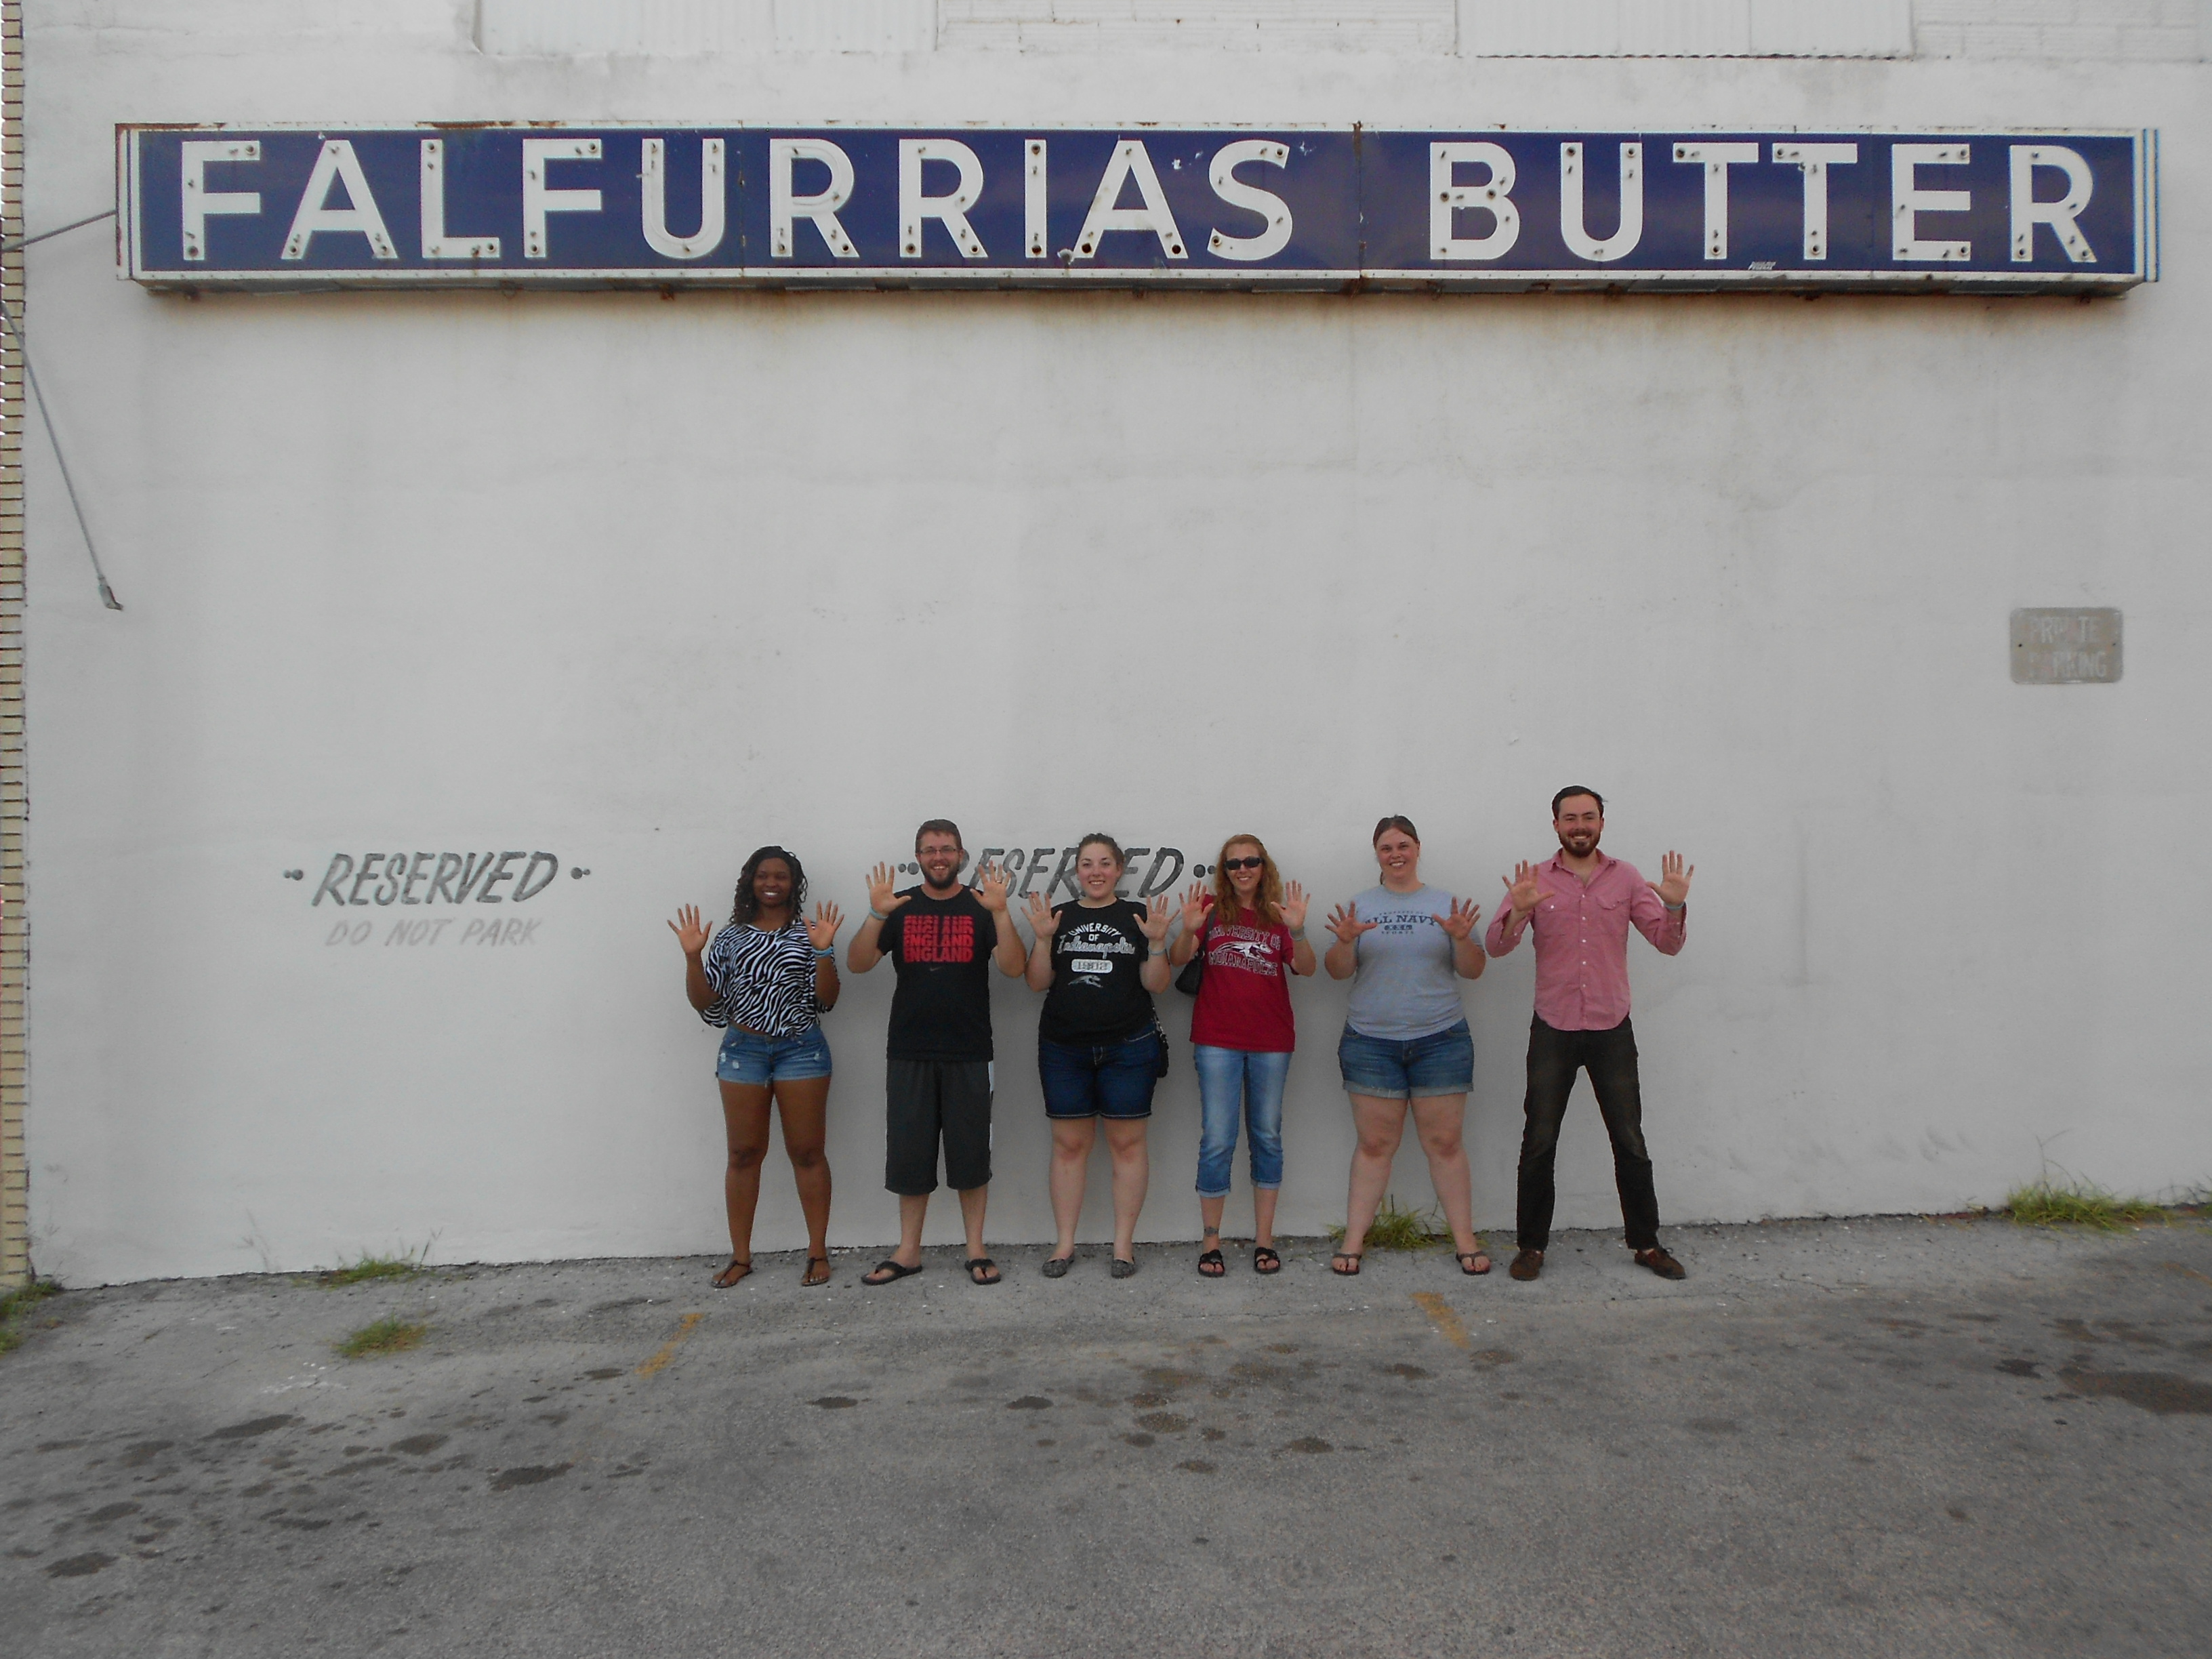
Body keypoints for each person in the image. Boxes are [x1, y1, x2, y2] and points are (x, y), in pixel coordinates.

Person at [1483, 787, 1694, 1282]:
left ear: (1602, 822)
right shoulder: (1533, 880)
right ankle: (1531, 1247)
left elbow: (1666, 943)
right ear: (1555, 825)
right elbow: (1494, 946)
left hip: (1610, 1027)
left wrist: (1677, 908)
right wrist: (1517, 912)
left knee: (1630, 1141)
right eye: (1570, 818)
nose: (1580, 825)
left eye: (1589, 817)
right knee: (1539, 1141)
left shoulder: (1625, 878)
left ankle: (1646, 1243)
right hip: (1553, 1026)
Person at [843, 820, 1029, 1288]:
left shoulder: (983, 906)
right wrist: (876, 914)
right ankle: (908, 1252)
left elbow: (1013, 968)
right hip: (909, 1049)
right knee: (910, 1153)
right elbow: (858, 963)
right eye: (929, 850)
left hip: (969, 1050)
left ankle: (976, 1249)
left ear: (961, 855)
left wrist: (1003, 913)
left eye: (947, 849)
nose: (939, 856)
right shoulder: (899, 906)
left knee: (970, 1154)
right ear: (919, 857)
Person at [667, 846, 844, 1289]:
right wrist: (692, 959)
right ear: (750, 880)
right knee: (743, 1154)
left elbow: (827, 1000)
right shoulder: (728, 938)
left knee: (807, 1152)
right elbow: (708, 1007)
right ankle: (742, 1256)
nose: (772, 882)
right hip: (743, 1051)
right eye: (763, 875)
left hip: (801, 1049)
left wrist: (823, 952)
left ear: (793, 883)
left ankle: (818, 1251)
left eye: (781, 876)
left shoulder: (810, 932)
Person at [1323, 815, 1490, 1278]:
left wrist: (1460, 938)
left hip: (1441, 1039)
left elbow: (1474, 970)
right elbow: (1337, 971)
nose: (1395, 854)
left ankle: (1465, 1240)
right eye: (1386, 848)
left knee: (1445, 1143)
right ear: (1376, 854)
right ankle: (1354, 1241)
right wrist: (1343, 942)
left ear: (1418, 848)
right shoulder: (1359, 906)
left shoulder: (1445, 903)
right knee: (1375, 1144)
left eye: (1403, 845)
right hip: (1371, 1042)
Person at [1023, 834, 1173, 1279]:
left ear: (1119, 868)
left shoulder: (1139, 917)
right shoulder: (1058, 917)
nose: (1095, 871)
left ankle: (1123, 1246)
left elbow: (1157, 984)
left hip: (1128, 1047)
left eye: (1105, 863)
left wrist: (1159, 943)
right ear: (1076, 870)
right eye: (1087, 863)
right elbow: (1036, 983)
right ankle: (1065, 1244)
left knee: (1127, 1145)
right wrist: (1043, 939)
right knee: (1070, 1146)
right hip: (1063, 1047)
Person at [1166, 835, 1316, 1277]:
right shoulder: (1211, 909)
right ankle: (1211, 1243)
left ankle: (1264, 1241)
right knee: (1217, 1137)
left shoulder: (1278, 914)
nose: (1243, 869)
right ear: (1224, 870)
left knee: (1267, 1135)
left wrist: (1300, 929)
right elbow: (1177, 959)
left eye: (1251, 861)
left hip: (1271, 1040)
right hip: (1217, 1039)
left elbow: (1305, 968)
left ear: (1264, 866)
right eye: (1234, 864)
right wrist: (1191, 929)